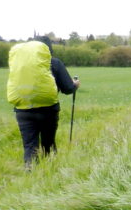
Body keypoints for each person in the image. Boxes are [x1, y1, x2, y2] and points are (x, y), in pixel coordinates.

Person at [6, 35, 80, 168]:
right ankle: (51, 173)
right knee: (48, 144)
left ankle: (30, 172)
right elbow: (68, 89)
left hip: (23, 110)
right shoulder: (54, 63)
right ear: (48, 48)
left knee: (30, 146)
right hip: (48, 110)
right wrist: (75, 85)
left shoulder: (20, 64)